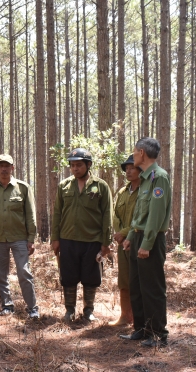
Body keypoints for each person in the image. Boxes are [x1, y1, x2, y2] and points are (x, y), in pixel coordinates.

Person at [51, 148, 113, 322]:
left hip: (92, 240)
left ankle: (88, 311)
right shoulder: (64, 186)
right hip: (68, 239)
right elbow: (57, 213)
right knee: (68, 276)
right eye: (72, 165)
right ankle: (69, 310)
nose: (75, 168)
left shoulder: (101, 186)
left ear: (88, 165)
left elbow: (107, 215)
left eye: (79, 165)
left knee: (91, 277)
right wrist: (55, 238)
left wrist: (105, 242)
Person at [120, 137, 171, 347]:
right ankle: (141, 329)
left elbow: (156, 215)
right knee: (136, 286)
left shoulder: (159, 177)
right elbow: (139, 213)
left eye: (134, 151)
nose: (132, 155)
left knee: (152, 288)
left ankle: (158, 333)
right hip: (139, 237)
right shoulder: (144, 178)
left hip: (151, 238)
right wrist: (131, 237)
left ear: (141, 152)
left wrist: (147, 244)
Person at [0, 154, 39, 318]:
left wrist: (31, 239)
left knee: (24, 273)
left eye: (7, 165)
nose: (3, 169)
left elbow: (30, 215)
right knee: (1, 275)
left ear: (12, 168)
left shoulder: (22, 188)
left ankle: (32, 308)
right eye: (0, 166)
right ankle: (7, 306)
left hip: (19, 238)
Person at [109, 154, 139, 326]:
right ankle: (125, 316)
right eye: (126, 168)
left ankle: (139, 318)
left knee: (138, 281)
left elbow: (142, 217)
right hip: (123, 243)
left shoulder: (145, 191)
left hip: (138, 241)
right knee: (124, 280)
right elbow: (115, 216)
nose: (128, 171)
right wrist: (119, 233)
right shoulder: (122, 192)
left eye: (132, 167)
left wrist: (127, 232)